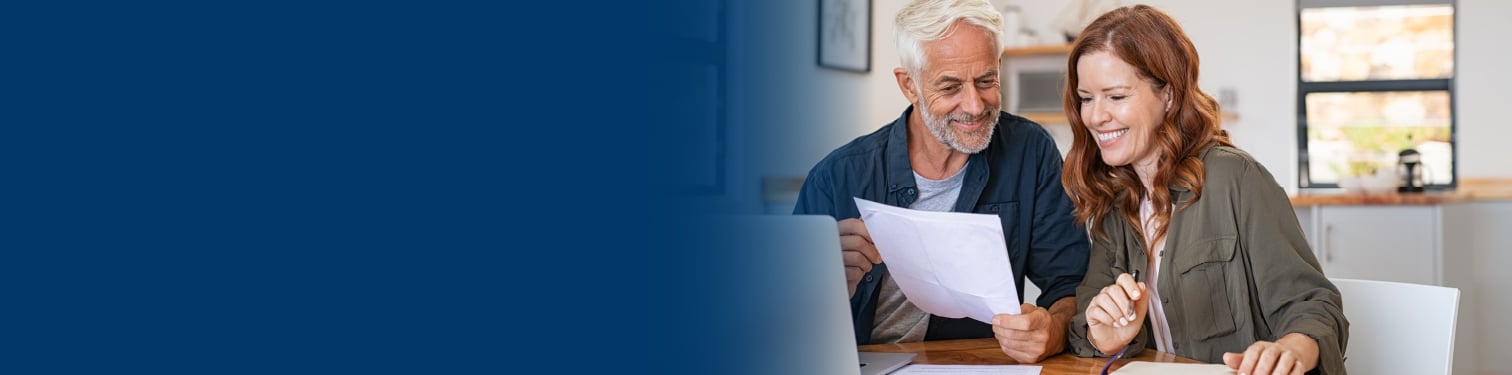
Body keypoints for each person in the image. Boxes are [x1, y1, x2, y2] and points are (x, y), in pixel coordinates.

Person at [792, 0, 1088, 363]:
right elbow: (776, 318)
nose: (975, 106)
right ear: (909, 85)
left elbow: (1071, 285)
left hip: (969, 365)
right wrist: (820, 283)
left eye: (986, 81)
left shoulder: (1031, 152)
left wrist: (1052, 330)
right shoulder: (836, 177)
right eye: (950, 88)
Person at [1059, 5, 1348, 375]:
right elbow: (1084, 322)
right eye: (1086, 98)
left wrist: (1290, 348)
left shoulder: (1236, 179)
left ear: (1168, 95)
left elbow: (1315, 307)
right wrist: (1106, 335)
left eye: (1116, 97)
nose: (1095, 116)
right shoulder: (1116, 201)